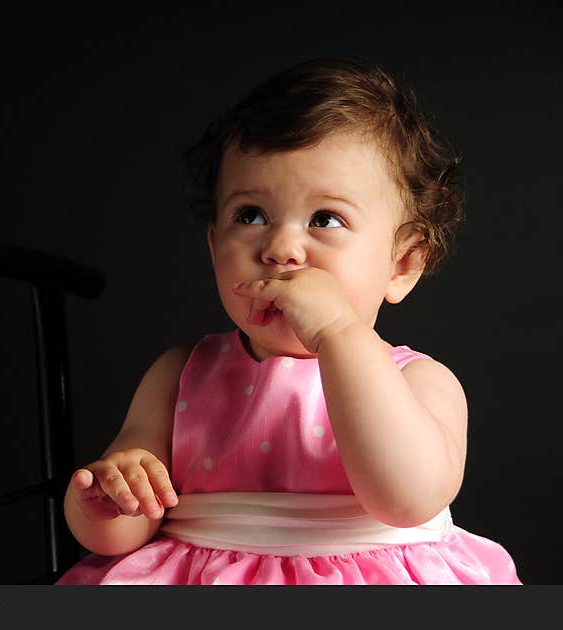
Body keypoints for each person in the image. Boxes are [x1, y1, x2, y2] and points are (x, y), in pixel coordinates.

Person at [56, 56, 521, 584]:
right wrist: (108, 498)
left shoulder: (418, 383)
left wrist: (338, 335)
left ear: (403, 264)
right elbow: (121, 529)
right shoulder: (181, 373)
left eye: (326, 219)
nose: (280, 249)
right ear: (214, 246)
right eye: (250, 215)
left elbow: (406, 500)